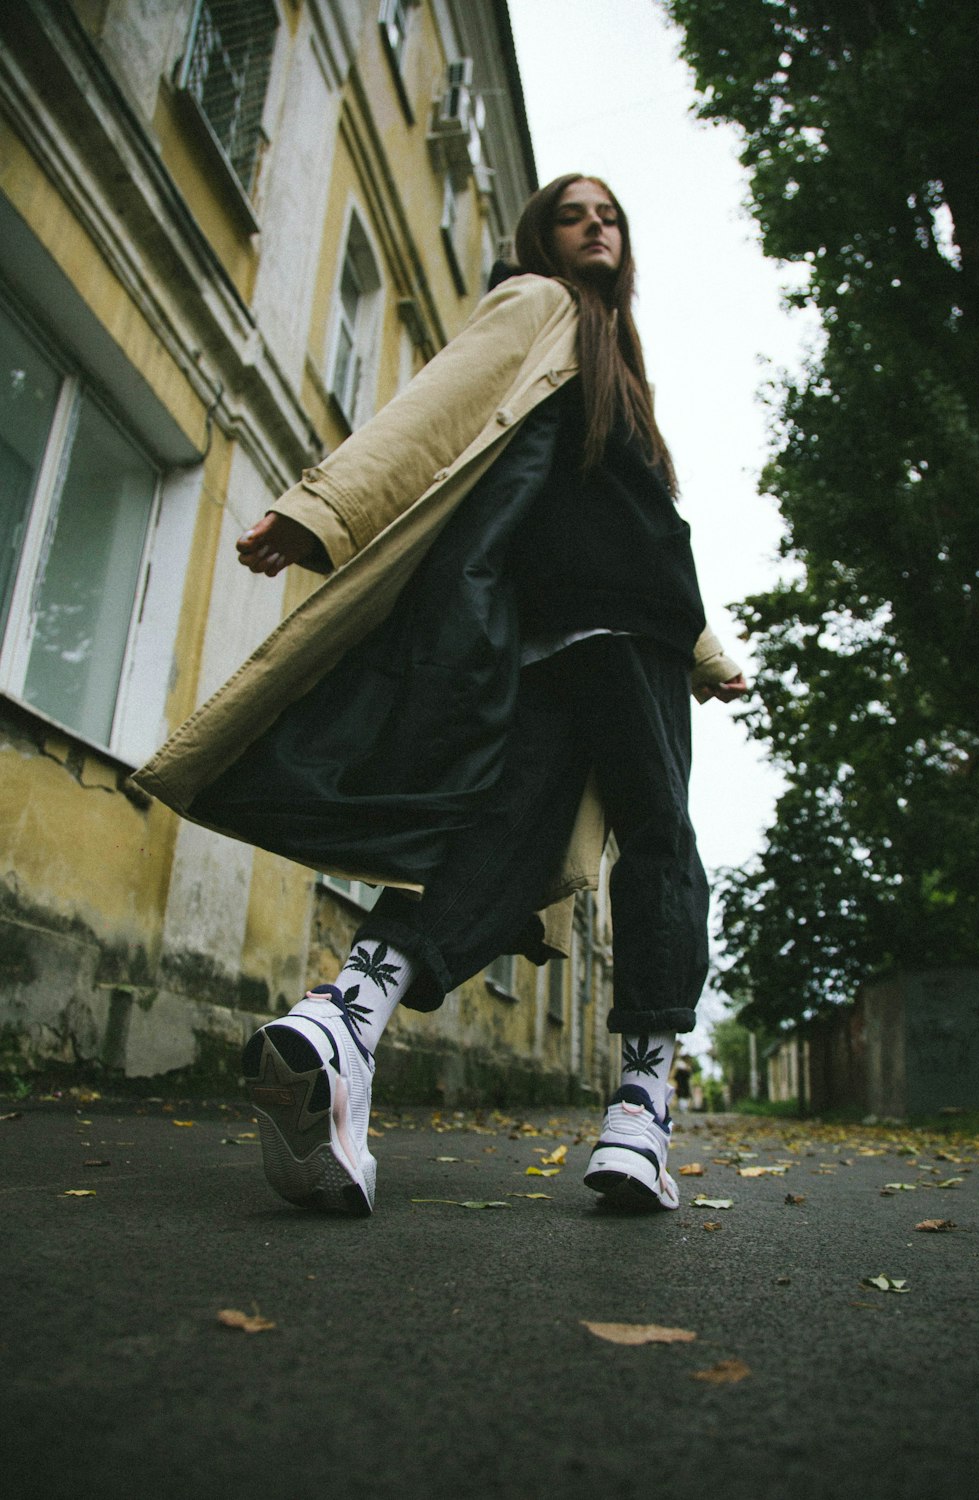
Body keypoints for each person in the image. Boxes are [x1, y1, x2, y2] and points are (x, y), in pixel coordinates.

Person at [133, 175, 746, 1219]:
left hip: (594, 631)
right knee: (656, 834)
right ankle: (643, 1103)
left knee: (505, 839)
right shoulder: (539, 305)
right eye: (572, 213)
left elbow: (644, 527)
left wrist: (707, 649)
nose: (596, 223)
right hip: (596, 628)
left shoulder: (618, 373)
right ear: (540, 241)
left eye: (610, 214)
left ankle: (345, 1022)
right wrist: (321, 507)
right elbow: (440, 403)